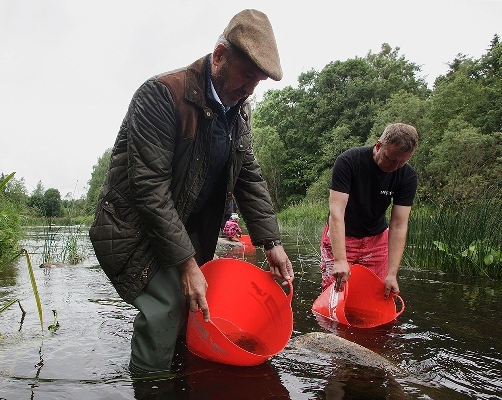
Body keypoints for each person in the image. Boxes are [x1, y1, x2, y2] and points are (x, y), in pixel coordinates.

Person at [89, 9, 294, 377]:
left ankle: (182, 378)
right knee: (167, 306)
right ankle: (151, 385)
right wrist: (186, 264)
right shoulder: (161, 95)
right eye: (247, 75)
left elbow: (247, 175)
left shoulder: (238, 111)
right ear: (219, 56)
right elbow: (149, 189)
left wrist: (271, 241)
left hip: (185, 228)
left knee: (199, 305)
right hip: (133, 227)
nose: (250, 89)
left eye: (258, 81)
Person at [320, 123, 419, 299]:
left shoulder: (407, 176)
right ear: (378, 145)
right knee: (335, 295)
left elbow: (398, 225)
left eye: (402, 162)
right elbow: (337, 212)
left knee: (376, 295)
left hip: (376, 239)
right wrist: (340, 260)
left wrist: (392, 274)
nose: (395, 167)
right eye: (390, 159)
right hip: (343, 235)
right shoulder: (349, 161)